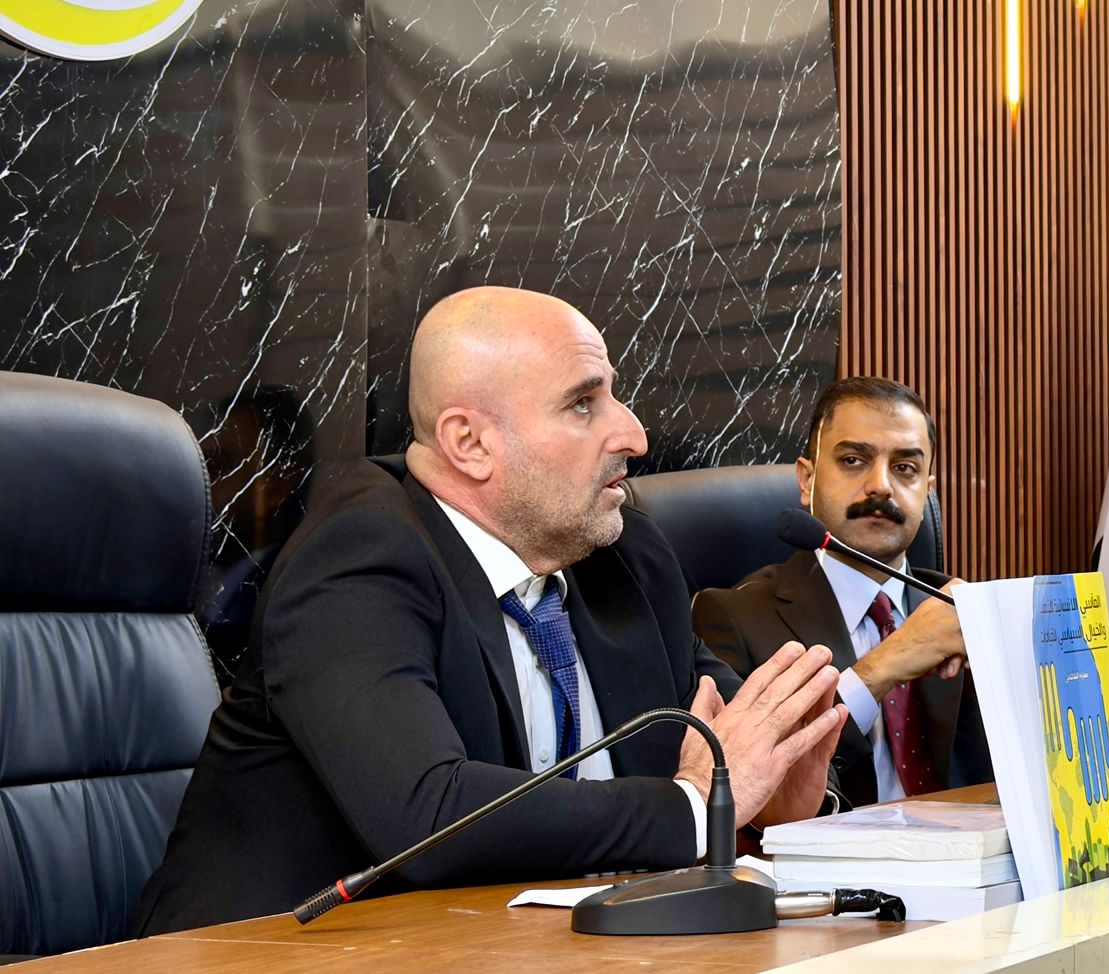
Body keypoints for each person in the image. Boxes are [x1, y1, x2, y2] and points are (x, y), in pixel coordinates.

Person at [134, 287, 847, 934]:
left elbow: (730, 733)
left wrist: (772, 800)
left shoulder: (624, 554)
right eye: (583, 404)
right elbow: (431, 814)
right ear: (470, 443)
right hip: (273, 952)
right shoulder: (355, 561)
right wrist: (692, 806)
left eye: (614, 396)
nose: (634, 435)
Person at [693, 378, 991, 808]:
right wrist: (885, 664)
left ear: (928, 491)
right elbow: (750, 789)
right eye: (853, 460)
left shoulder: (960, 611)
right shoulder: (733, 617)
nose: (881, 486)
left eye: (905, 468)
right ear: (807, 479)